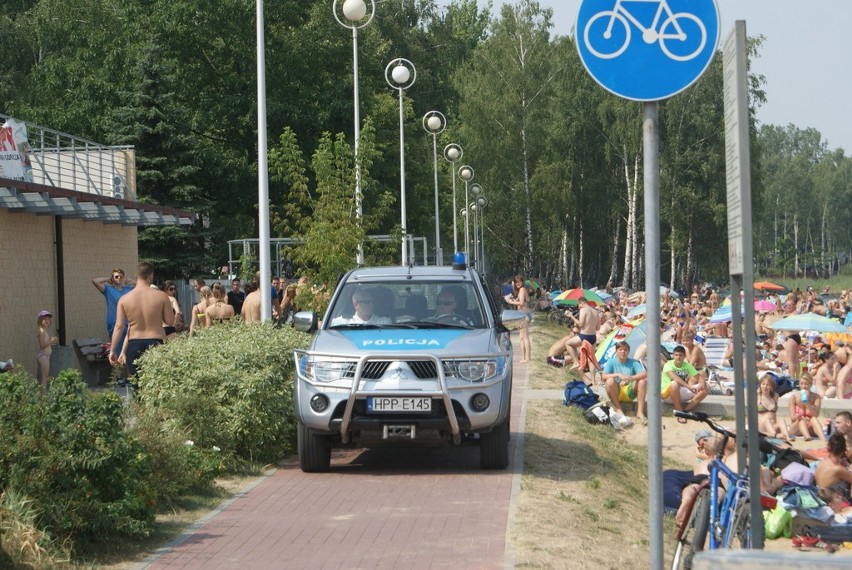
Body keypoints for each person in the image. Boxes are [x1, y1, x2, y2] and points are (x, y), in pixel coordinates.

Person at [109, 262, 175, 380]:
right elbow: (170, 321)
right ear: (150, 276)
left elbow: (119, 326)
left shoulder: (124, 299)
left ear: (136, 275)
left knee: (137, 383)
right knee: (156, 382)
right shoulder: (161, 296)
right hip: (156, 341)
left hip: (134, 343)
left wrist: (113, 350)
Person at [602, 341, 648, 424]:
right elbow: (604, 376)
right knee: (609, 381)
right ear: (616, 351)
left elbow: (644, 374)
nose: (623, 352)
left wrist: (630, 378)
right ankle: (618, 408)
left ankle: (640, 412)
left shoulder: (633, 362)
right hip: (617, 391)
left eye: (625, 350)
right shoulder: (611, 362)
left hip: (629, 391)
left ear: (628, 352)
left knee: (642, 381)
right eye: (620, 349)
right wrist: (617, 374)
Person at [661, 345, 709, 421]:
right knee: (674, 384)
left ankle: (686, 411)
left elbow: (699, 376)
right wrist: (689, 387)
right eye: (676, 355)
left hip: (681, 391)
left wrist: (701, 383)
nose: (678, 357)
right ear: (673, 356)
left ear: (684, 356)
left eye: (680, 355)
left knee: (706, 387)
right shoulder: (668, 365)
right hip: (667, 394)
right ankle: (679, 412)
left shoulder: (687, 366)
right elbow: (675, 378)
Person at [92, 268, 135, 349]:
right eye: (116, 276)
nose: (119, 278)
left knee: (129, 346)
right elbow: (95, 281)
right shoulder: (108, 289)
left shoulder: (128, 289)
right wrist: (108, 279)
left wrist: (132, 281)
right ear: (113, 278)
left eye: (121, 277)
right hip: (113, 322)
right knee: (116, 347)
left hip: (127, 322)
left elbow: (144, 286)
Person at [814, 432, 852, 502]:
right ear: (844, 451)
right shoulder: (838, 469)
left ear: (829, 448)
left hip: (820, 497)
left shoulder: (822, 463)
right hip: (832, 502)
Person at [788, 373, 826, 442]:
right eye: (801, 384)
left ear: (810, 385)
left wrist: (807, 403)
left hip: (810, 426)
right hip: (797, 427)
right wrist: (798, 416)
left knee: (813, 418)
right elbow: (792, 418)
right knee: (801, 421)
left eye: (806, 384)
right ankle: (807, 437)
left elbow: (815, 415)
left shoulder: (816, 397)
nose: (803, 386)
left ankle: (823, 438)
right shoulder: (793, 397)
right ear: (799, 384)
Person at [505, 275, 531, 363]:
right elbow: (519, 301)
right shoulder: (520, 291)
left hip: (524, 315)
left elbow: (521, 303)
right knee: (521, 337)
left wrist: (510, 301)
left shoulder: (522, 290)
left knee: (524, 337)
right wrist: (511, 298)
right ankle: (524, 357)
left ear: (522, 282)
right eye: (516, 282)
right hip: (522, 314)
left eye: (519, 282)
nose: (517, 284)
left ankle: (526, 358)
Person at [756, 373, 790, 440]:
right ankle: (775, 435)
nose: (765, 387)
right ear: (760, 385)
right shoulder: (757, 397)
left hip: (773, 426)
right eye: (763, 384)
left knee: (782, 421)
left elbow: (787, 387)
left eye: (768, 385)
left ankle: (787, 437)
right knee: (766, 420)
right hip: (762, 429)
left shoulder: (775, 396)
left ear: (771, 387)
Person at [36, 310, 57, 392]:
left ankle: (44, 395)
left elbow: (46, 342)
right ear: (40, 320)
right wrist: (51, 341)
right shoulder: (41, 331)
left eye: (48, 319)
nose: (46, 321)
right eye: (44, 319)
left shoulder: (44, 331)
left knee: (45, 376)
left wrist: (50, 339)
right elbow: (42, 345)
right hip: (43, 355)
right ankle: (43, 398)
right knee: (44, 377)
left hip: (46, 356)